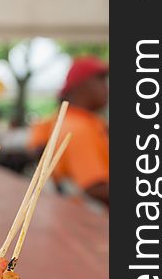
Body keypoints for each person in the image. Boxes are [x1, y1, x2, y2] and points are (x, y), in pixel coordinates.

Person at [28, 56, 109, 206]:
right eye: (101, 80)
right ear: (82, 86)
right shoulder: (78, 128)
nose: (106, 88)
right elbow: (95, 187)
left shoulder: (74, 121)